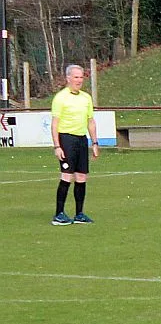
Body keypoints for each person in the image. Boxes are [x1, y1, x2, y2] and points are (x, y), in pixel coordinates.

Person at [49, 65, 100, 226]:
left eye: (81, 77)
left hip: (81, 140)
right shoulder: (60, 98)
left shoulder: (86, 98)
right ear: (68, 78)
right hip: (66, 140)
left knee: (81, 176)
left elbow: (90, 121)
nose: (79, 80)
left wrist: (94, 142)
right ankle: (59, 214)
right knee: (67, 175)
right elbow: (55, 123)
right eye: (76, 77)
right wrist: (57, 146)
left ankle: (79, 214)